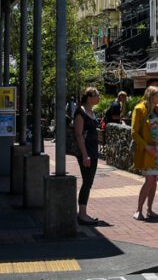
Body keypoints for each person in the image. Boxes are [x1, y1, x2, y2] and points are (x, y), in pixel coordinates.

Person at [131, 86, 158, 220]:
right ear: (151, 95)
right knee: (149, 180)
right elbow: (134, 133)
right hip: (148, 150)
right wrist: (146, 147)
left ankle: (150, 209)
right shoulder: (139, 109)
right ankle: (138, 210)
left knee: (154, 180)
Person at [73, 87, 102, 225]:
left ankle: (83, 212)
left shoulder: (92, 112)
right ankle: (82, 214)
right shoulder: (80, 112)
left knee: (89, 182)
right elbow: (79, 135)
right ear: (89, 97)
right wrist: (85, 155)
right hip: (86, 152)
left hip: (93, 151)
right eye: (96, 95)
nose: (99, 98)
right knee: (87, 182)